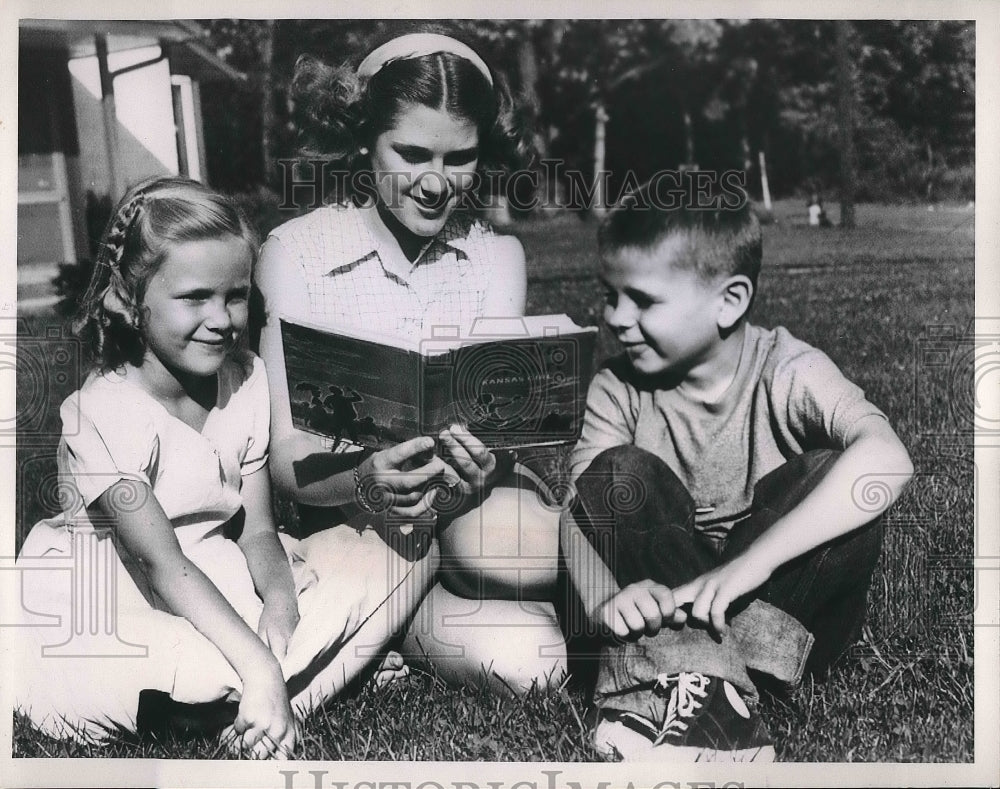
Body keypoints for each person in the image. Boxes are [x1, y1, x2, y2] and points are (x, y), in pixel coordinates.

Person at [13, 177, 421, 759]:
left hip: (215, 573)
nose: (222, 318)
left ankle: (258, 696)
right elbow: (161, 563)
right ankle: (278, 686)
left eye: (235, 295)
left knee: (399, 553)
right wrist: (257, 659)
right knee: (162, 667)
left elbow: (256, 530)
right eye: (194, 297)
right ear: (128, 301)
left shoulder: (246, 380)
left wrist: (280, 603)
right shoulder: (100, 412)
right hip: (118, 591)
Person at [560, 179, 913, 761]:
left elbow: (888, 459)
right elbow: (576, 512)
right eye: (610, 294)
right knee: (617, 473)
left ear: (730, 301)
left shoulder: (787, 367)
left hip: (777, 604)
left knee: (835, 472)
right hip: (680, 605)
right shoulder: (617, 385)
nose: (616, 318)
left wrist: (750, 565)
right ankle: (718, 693)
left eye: (642, 300)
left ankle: (667, 680)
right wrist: (602, 602)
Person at [256, 31, 566, 693]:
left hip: (476, 520)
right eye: (412, 153)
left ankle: (662, 595)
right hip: (358, 537)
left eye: (461, 159)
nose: (435, 183)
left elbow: (497, 423)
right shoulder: (295, 253)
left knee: (508, 582)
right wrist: (365, 475)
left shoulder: (494, 256)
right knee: (530, 662)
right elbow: (285, 459)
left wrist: (485, 460)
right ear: (366, 140)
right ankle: (398, 635)